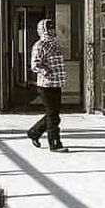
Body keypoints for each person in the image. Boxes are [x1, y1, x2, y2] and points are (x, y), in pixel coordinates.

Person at [26, 19, 67, 152]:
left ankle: (34, 132)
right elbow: (34, 65)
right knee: (53, 115)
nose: (51, 31)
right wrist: (45, 70)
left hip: (57, 83)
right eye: (49, 29)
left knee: (53, 113)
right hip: (46, 84)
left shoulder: (55, 44)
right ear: (43, 30)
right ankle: (54, 143)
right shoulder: (40, 45)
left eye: (52, 28)